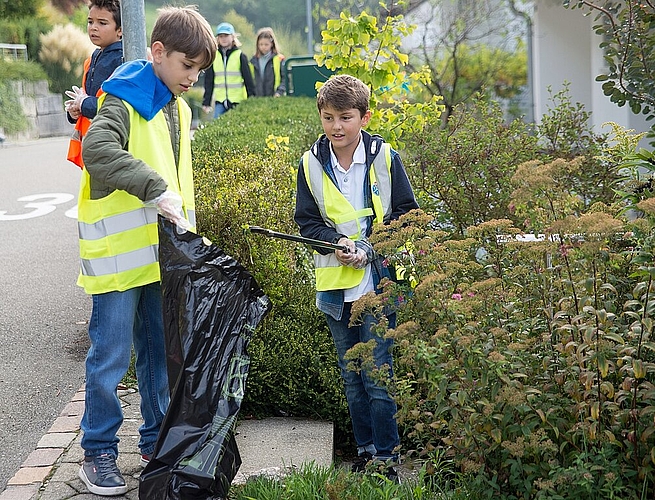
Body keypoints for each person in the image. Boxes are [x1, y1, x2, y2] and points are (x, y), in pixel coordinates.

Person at [76, 5, 217, 496]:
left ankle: (157, 444)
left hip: (161, 258)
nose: (193, 79)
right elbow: (97, 152)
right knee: (111, 358)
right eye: (187, 66)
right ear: (157, 53)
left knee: (159, 360)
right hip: (118, 256)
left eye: (199, 70)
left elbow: (180, 182)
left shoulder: (177, 106)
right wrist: (153, 187)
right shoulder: (123, 95)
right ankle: (97, 454)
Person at [294, 74, 419, 482]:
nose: (336, 127)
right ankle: (365, 452)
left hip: (383, 284)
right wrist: (335, 243)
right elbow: (308, 223)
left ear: (364, 118)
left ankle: (388, 457)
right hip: (335, 288)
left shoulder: (386, 158)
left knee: (379, 375)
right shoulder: (310, 163)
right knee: (352, 377)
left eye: (345, 118)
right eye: (328, 118)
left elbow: (406, 214)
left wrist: (370, 247)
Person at [65, 0, 123, 168]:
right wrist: (75, 110)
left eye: (102, 23)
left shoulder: (122, 61)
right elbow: (88, 96)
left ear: (120, 30)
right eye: (90, 21)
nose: (93, 27)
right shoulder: (94, 58)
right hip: (92, 145)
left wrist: (84, 103)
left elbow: (116, 107)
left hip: (111, 146)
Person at [202, 22, 255, 118]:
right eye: (221, 36)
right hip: (220, 101)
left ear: (233, 37)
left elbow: (248, 80)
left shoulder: (240, 56)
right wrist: (206, 102)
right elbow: (209, 81)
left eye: (226, 35)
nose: (223, 38)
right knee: (217, 127)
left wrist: (252, 99)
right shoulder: (214, 56)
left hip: (237, 101)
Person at [249, 27, 286, 97]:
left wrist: (279, 92)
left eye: (266, 44)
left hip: (275, 96)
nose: (263, 47)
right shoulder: (253, 61)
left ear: (272, 44)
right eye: (261, 44)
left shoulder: (279, 59)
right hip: (258, 97)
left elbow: (284, 79)